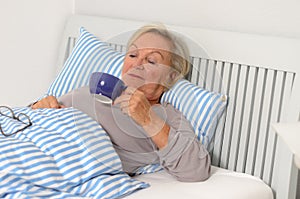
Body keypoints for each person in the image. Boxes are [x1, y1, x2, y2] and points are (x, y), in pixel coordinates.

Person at [31, 24, 211, 182]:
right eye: (132, 55)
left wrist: (147, 118)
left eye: (151, 60)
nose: (137, 63)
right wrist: (40, 107)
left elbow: (196, 169)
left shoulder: (167, 115)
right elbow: (29, 118)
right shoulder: (94, 90)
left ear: (171, 76)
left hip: (57, 162)